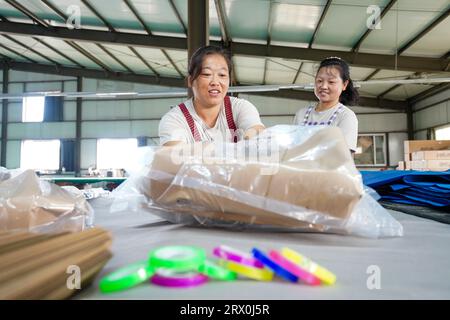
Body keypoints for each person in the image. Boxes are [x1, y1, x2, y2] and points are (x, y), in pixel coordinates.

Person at [159, 45, 265, 146]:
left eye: (222, 75)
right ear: (190, 81)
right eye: (206, 74)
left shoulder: (240, 108)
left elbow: (257, 134)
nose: (215, 82)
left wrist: (254, 140)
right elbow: (173, 157)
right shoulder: (175, 119)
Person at [293, 57, 359, 153]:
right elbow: (292, 149)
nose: (323, 86)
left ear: (344, 84)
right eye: (319, 81)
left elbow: (344, 157)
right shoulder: (301, 114)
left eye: (331, 82)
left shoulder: (346, 116)